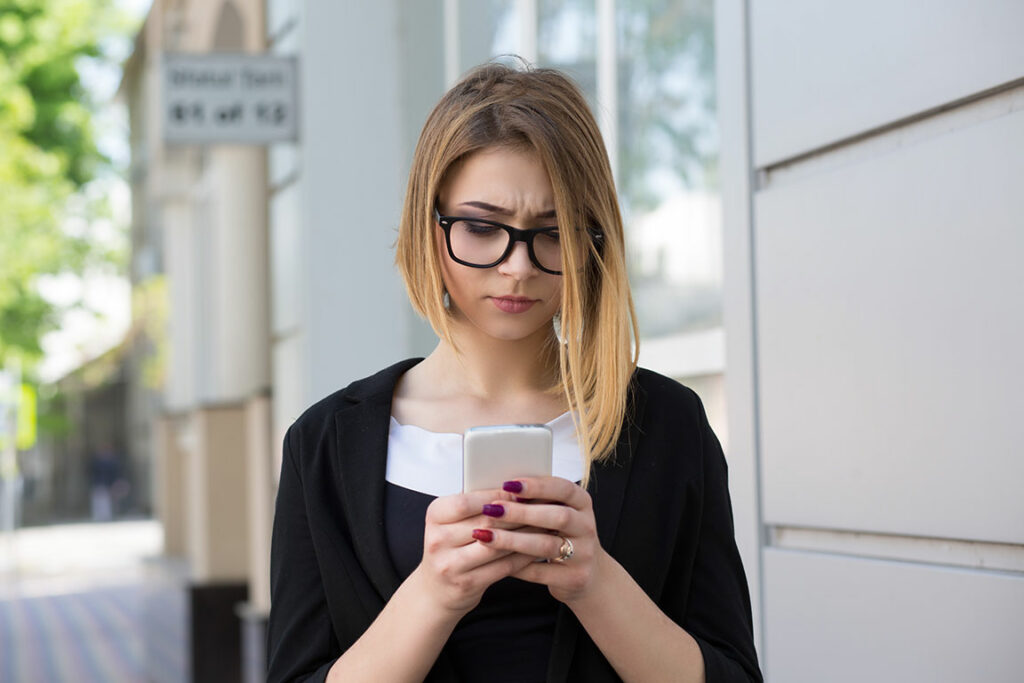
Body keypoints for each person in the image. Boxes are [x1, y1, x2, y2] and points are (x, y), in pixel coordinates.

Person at [267, 61, 761, 683]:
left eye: (553, 233)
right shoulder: (325, 445)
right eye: (480, 227)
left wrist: (595, 581)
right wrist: (433, 594)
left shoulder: (666, 424)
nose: (518, 267)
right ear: (430, 223)